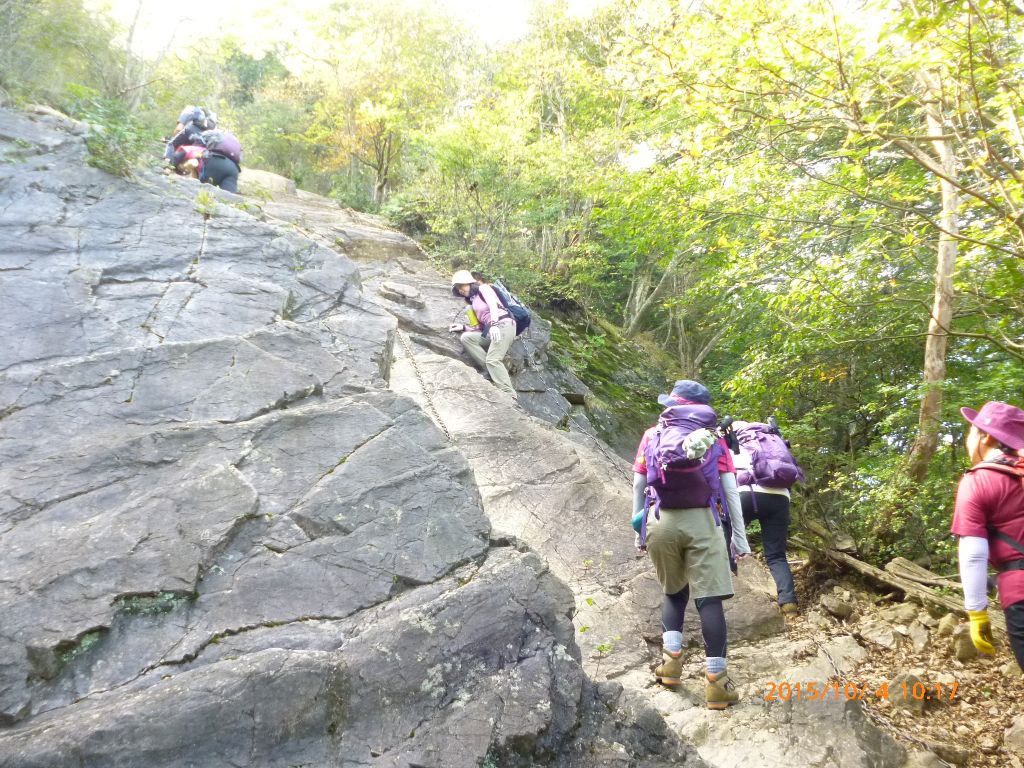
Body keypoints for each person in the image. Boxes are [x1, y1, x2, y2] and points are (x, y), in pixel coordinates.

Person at [632, 379, 750, 709]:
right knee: (709, 600)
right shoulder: (714, 439)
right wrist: (739, 537)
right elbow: (730, 491)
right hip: (704, 519)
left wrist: (637, 526)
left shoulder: (652, 434)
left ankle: (670, 665)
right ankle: (717, 684)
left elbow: (639, 482)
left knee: (674, 592)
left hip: (660, 518)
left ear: (673, 404)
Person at [951, 400, 1024, 669]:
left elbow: (973, 555)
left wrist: (977, 613)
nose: (967, 440)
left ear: (986, 437)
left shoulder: (979, 480)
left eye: (970, 432)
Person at [732, 420, 799, 616]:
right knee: (776, 555)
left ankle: (730, 597)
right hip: (780, 497)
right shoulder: (773, 442)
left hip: (745, 493)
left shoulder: (736, 444)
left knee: (727, 541)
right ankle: (788, 602)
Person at [447, 270, 517, 399]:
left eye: (461, 285)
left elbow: (493, 306)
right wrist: (463, 327)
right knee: (467, 338)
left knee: (493, 359)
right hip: (491, 331)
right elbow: (480, 328)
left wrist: (494, 324)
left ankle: (509, 394)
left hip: (504, 325)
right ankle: (493, 373)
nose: (460, 290)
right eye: (458, 288)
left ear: (469, 283)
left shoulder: (484, 288)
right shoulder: (472, 303)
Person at [199, 127, 242, 194]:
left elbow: (201, 139)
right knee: (228, 198)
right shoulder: (236, 142)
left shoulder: (217, 133)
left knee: (201, 191)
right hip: (233, 169)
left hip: (215, 161)